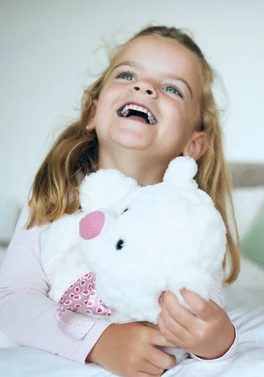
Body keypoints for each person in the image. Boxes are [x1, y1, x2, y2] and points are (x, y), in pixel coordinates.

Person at [0, 25, 240, 377]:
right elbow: (12, 298)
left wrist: (217, 340)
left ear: (194, 143)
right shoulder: (54, 195)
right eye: (127, 74)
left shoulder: (190, 217)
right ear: (92, 113)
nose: (144, 87)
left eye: (172, 88)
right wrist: (99, 341)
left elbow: (204, 308)